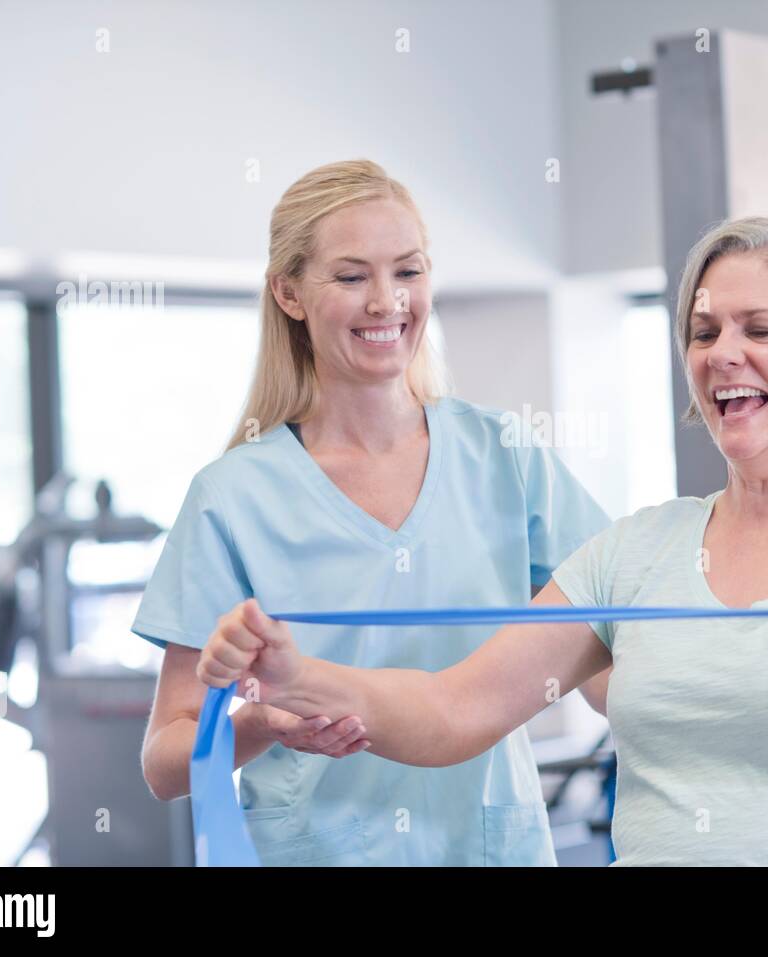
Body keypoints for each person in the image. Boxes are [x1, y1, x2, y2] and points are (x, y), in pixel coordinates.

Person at [199, 216, 768, 866]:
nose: (722, 351)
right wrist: (295, 673)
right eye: (704, 330)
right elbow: (455, 709)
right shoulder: (634, 552)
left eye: (759, 328)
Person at [135, 159, 610, 866]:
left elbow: (609, 647)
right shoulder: (232, 496)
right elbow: (165, 761)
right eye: (352, 277)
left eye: (408, 272)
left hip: (488, 848)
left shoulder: (505, 455)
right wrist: (262, 724)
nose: (387, 302)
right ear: (289, 292)